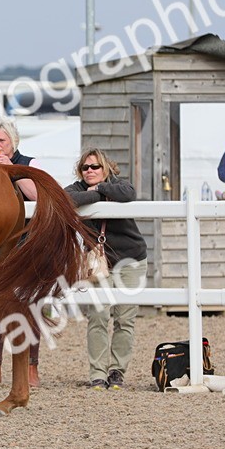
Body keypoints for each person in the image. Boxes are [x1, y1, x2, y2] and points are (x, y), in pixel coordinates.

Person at [65, 148, 148, 391]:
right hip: (99, 262)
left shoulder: (116, 185)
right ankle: (98, 374)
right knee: (98, 317)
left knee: (125, 318)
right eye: (85, 167)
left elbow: (129, 193)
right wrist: (95, 195)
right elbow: (66, 199)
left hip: (130, 258)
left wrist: (99, 189)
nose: (90, 171)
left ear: (106, 168)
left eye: (95, 167)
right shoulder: (78, 188)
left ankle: (117, 372)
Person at [0, 119, 39, 386]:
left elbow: (36, 195)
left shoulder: (28, 163)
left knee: (29, 305)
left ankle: (30, 367)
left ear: (13, 142)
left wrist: (12, 169)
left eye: (1, 141)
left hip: (24, 244)